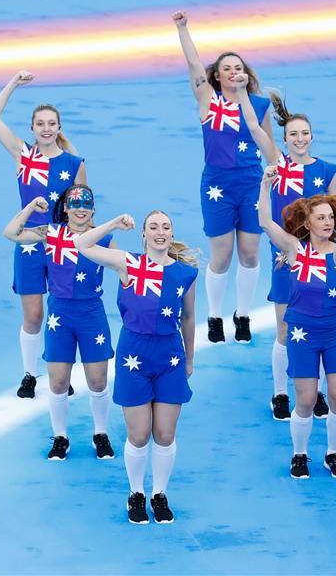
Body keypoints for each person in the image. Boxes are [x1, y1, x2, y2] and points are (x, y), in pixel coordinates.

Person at [74, 211, 198, 525]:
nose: (160, 232)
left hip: (170, 356)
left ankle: (159, 494)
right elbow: (82, 243)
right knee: (140, 434)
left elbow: (188, 318)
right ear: (143, 234)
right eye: (153, 227)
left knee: (165, 434)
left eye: (166, 227)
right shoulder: (128, 263)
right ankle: (136, 493)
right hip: (135, 356)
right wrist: (114, 224)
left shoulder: (186, 272)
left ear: (172, 234)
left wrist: (190, 358)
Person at [234, 75, 336, 421]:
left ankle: (317, 391)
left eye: (304, 133)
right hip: (285, 257)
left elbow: (335, 217)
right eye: (293, 134)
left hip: (319, 260)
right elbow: (252, 125)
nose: (299, 139)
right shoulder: (278, 165)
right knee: (285, 330)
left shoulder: (326, 170)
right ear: (285, 138)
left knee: (319, 324)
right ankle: (280, 393)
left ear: (312, 136)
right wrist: (241, 91)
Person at [257, 165, 336, 479]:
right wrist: (266, 186)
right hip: (302, 332)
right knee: (306, 400)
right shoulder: (294, 250)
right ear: (307, 224)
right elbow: (265, 221)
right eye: (320, 217)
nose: (327, 222)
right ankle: (300, 454)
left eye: (330, 218)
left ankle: (333, 453)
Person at [173, 10, 272, 344]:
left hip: (251, 184)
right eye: (226, 68)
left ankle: (242, 314)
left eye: (238, 67)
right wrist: (183, 28)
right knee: (222, 255)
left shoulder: (259, 106)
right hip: (217, 185)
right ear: (217, 76)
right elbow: (193, 66)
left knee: (249, 254)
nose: (233, 72)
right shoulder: (208, 102)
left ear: (246, 75)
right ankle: (214, 316)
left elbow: (269, 147)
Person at [0, 70, 86, 398]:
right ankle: (29, 374)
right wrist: (13, 83)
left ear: (59, 127)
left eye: (51, 123)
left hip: (62, 247)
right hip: (29, 243)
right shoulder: (23, 156)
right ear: (32, 129)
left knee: (61, 314)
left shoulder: (74, 163)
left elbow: (82, 209)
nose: (45, 128)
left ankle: (60, 372)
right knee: (33, 315)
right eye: (40, 123)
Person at [2, 186, 115, 460]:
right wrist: (30, 208)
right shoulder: (51, 234)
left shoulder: (104, 238)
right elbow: (11, 233)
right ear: (65, 208)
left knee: (98, 381)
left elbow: (124, 268)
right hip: (59, 317)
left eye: (86, 204)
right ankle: (61, 437)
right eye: (74, 204)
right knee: (58, 382)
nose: (80, 209)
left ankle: (100, 433)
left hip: (92, 315)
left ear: (93, 211)